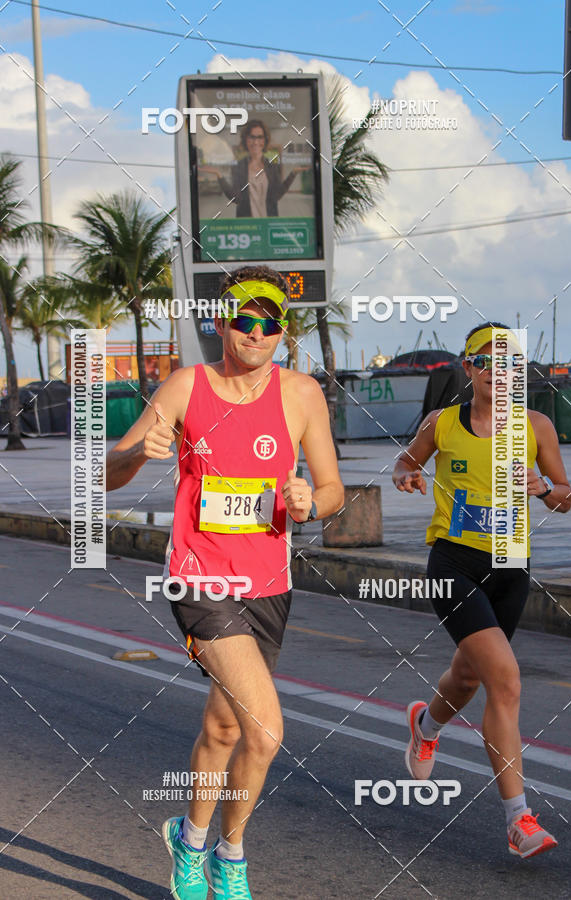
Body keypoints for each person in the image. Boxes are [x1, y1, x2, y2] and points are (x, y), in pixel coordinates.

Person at [106, 264, 344, 899]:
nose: (257, 332)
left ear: (282, 331)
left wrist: (307, 502)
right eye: (245, 319)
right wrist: (136, 453)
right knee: (266, 729)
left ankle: (187, 839)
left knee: (225, 728)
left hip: (268, 584)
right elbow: (104, 476)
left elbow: (333, 490)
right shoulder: (186, 386)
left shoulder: (301, 395)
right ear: (221, 322)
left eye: (271, 323)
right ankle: (228, 857)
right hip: (199, 579)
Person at [392, 322, 571, 859]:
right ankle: (519, 820)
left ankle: (425, 724)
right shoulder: (443, 423)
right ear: (468, 369)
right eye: (488, 362)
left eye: (512, 364)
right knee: (506, 679)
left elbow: (566, 496)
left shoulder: (536, 425)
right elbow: (407, 459)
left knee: (471, 673)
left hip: (511, 563)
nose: (501, 372)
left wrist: (544, 489)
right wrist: (406, 474)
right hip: (453, 562)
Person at [199, 119, 307, 218]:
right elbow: (236, 198)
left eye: (260, 137)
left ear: (265, 140)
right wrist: (219, 176)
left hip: (269, 222)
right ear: (245, 139)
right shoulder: (238, 166)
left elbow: (276, 195)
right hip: (247, 224)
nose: (256, 142)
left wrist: (293, 174)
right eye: (252, 137)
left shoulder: (272, 166)